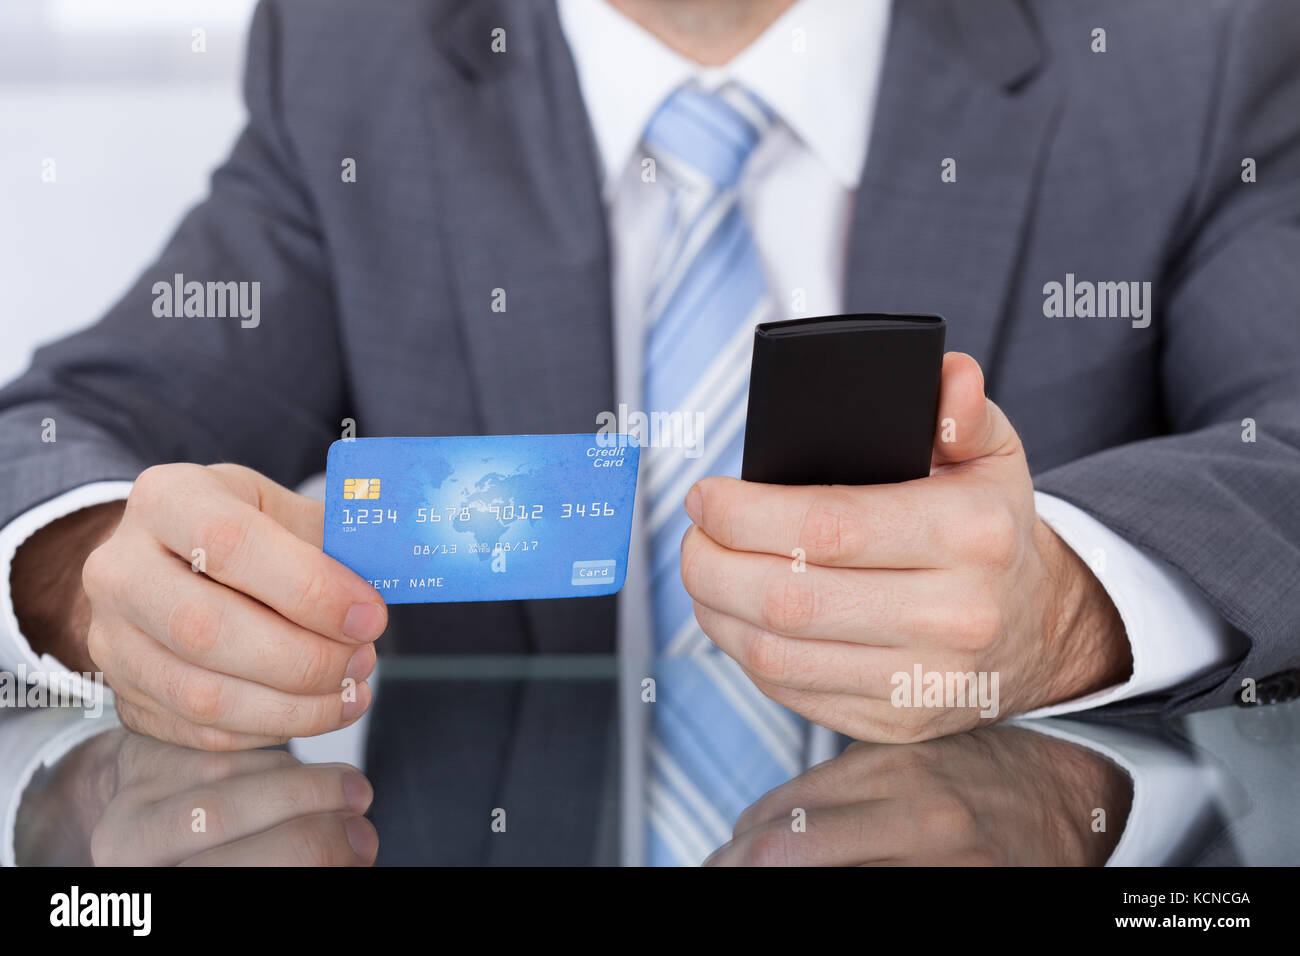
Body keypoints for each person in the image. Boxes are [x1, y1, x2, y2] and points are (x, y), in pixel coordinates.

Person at [1, 0, 1297, 765]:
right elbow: (59, 437)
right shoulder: (356, 56)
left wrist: (1070, 604)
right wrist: (98, 582)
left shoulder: (1195, 51)